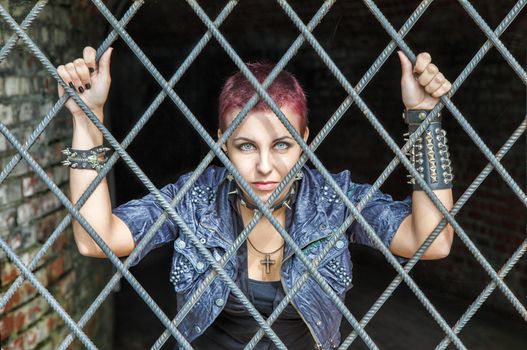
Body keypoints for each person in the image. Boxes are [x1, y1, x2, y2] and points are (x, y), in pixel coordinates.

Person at [56, 46, 454, 349]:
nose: (265, 167)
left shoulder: (334, 200)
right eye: (246, 146)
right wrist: (86, 121)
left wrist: (425, 121)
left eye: (282, 145)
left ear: (305, 143)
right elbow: (97, 239)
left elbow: (431, 241)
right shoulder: (195, 200)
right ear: (222, 145)